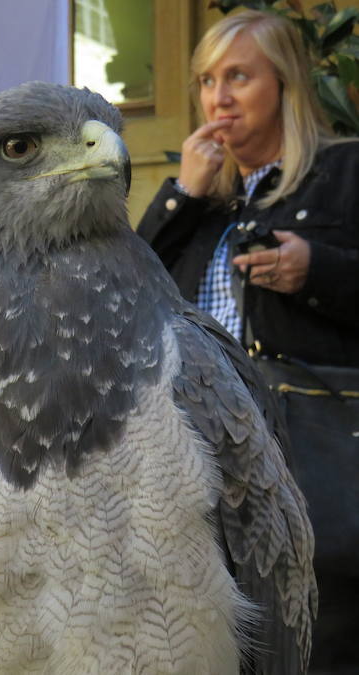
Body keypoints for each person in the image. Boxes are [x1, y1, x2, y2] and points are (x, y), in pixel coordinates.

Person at [137, 10, 359, 673]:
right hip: (196, 467)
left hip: (309, 456)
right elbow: (126, 297)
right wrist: (181, 194)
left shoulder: (344, 172)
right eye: (207, 80)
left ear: (285, 83)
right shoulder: (204, 199)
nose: (218, 97)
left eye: (239, 76)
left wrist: (315, 268)